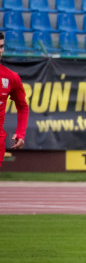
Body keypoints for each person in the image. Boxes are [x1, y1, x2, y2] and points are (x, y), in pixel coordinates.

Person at [0, 32, 29, 168]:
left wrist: (20, 133)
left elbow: (23, 107)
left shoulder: (11, 77)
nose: (0, 51)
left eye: (1, 47)